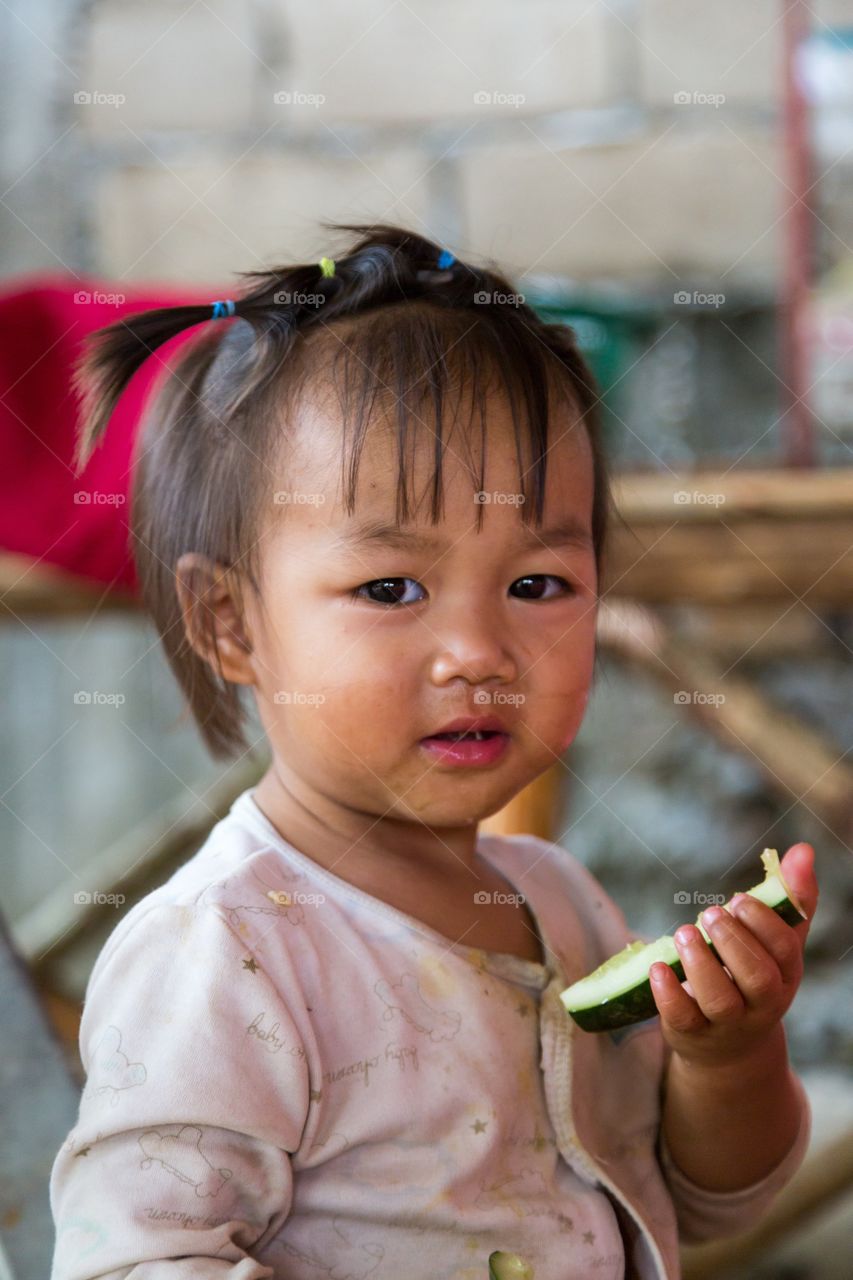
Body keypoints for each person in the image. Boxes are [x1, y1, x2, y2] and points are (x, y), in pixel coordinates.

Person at [48, 222, 817, 1280]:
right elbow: (133, 1259)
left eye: (537, 584)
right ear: (230, 621)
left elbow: (712, 1200)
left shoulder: (562, 903)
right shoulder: (224, 949)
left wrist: (727, 1054)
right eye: (390, 588)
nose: (477, 650)